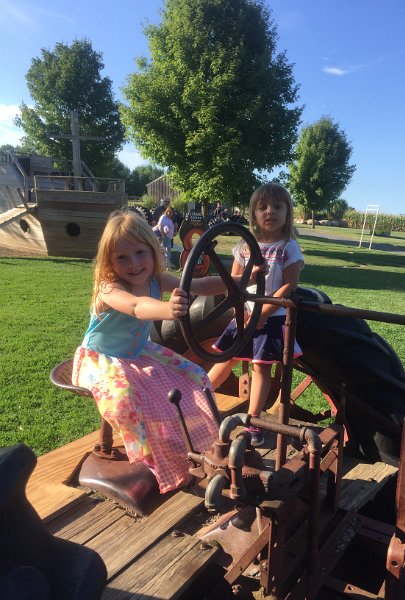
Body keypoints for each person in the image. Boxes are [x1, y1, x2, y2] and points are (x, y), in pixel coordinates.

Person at [72, 209, 263, 494]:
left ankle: (199, 445)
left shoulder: (156, 280)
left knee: (194, 376)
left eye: (140, 253)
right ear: (109, 261)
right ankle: (153, 460)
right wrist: (168, 309)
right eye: (122, 258)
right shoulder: (108, 288)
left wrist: (241, 282)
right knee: (125, 399)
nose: (133, 264)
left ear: (152, 251)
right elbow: (137, 307)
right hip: (103, 360)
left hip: (138, 353)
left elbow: (200, 285)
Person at [208, 183, 305, 447]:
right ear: (253, 214)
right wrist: (242, 311)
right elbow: (234, 281)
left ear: (287, 212)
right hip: (245, 313)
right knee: (226, 357)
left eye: (277, 206)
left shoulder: (288, 247)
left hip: (272, 317)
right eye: (262, 207)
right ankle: (199, 400)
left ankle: (253, 421)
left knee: (260, 367)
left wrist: (263, 313)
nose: (269, 212)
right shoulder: (244, 245)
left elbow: (289, 285)